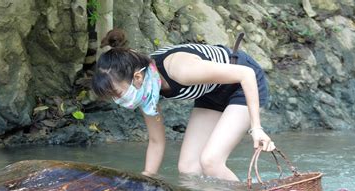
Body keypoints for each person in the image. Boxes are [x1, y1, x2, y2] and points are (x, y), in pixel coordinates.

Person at [91, 29, 275, 181]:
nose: (118, 101)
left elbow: (246, 74)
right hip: (212, 93)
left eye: (118, 94)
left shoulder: (180, 70)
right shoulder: (146, 91)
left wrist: (256, 128)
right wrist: (147, 178)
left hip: (241, 83)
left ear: (137, 77)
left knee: (211, 161)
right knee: (188, 168)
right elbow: (156, 141)